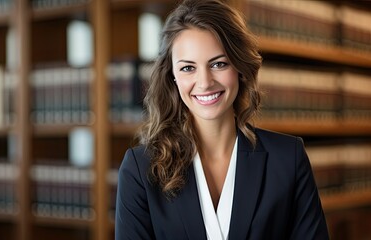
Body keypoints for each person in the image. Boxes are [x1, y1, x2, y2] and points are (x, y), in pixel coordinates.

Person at [115, 0, 329, 239]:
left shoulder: (289, 158)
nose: (205, 82)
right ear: (171, 76)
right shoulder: (140, 169)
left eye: (218, 64)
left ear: (239, 66)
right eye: (188, 68)